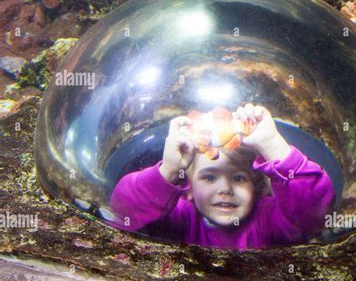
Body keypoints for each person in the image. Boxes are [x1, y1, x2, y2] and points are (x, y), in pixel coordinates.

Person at [109, 103, 335, 249]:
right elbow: (124, 210)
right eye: (209, 178)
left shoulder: (268, 219)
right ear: (188, 188)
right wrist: (167, 170)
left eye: (238, 178)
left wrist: (272, 145)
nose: (225, 188)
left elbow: (313, 211)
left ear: (256, 186)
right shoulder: (179, 217)